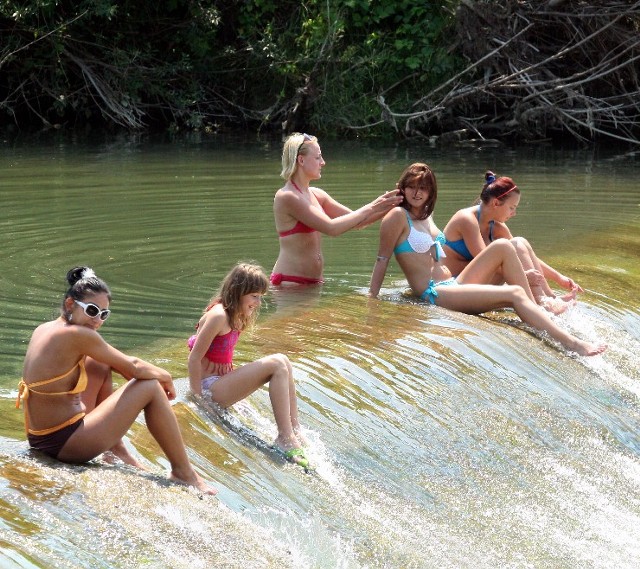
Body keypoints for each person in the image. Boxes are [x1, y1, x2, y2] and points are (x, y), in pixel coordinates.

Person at [369, 163, 607, 357]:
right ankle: (573, 343)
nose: (417, 193)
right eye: (411, 187)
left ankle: (541, 305)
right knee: (513, 293)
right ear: (403, 187)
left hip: (454, 282)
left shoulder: (425, 217)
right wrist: (371, 301)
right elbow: (382, 260)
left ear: (431, 192)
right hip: (434, 292)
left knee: (505, 245)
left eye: (423, 188)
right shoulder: (397, 217)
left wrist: (555, 277)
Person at [16, 266, 217, 495]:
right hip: (65, 445)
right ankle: (184, 472)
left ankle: (115, 448)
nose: (98, 320)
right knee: (149, 386)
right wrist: (166, 377)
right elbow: (133, 368)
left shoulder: (46, 328)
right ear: (71, 304)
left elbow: (121, 363)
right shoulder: (78, 335)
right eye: (92, 310)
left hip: (43, 439)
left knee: (101, 361)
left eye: (104, 314)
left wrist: (135, 370)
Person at [187, 262, 310, 468]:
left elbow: (222, 353)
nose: (258, 302)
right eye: (254, 295)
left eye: (260, 296)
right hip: (210, 388)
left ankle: (294, 428)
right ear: (238, 292)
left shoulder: (237, 314)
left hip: (221, 383)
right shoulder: (218, 316)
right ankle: (285, 437)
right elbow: (194, 359)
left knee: (284, 361)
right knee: (277, 363)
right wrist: (199, 399)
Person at [271, 132, 402, 285]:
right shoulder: (287, 196)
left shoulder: (318, 194)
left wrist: (392, 204)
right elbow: (331, 228)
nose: (323, 162)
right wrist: (373, 206)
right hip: (290, 282)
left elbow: (358, 221)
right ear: (301, 160)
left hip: (313, 283)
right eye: (318, 157)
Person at [442, 170, 583, 313]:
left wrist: (559, 278)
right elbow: (486, 259)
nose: (514, 213)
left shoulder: (496, 226)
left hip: (477, 283)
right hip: (456, 287)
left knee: (519, 242)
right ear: (496, 203)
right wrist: (523, 275)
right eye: (512, 208)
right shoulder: (466, 219)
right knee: (512, 247)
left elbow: (523, 254)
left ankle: (549, 297)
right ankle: (541, 302)